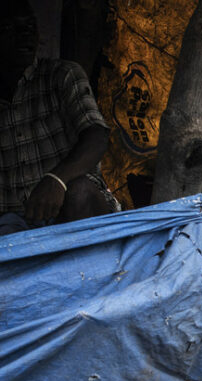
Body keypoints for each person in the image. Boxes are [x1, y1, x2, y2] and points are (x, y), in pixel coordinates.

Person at [0, 0, 115, 236]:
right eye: (11, 28)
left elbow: (97, 135)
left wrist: (57, 180)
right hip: (12, 227)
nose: (25, 35)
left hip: (70, 211)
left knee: (80, 191)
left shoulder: (62, 75)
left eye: (30, 26)